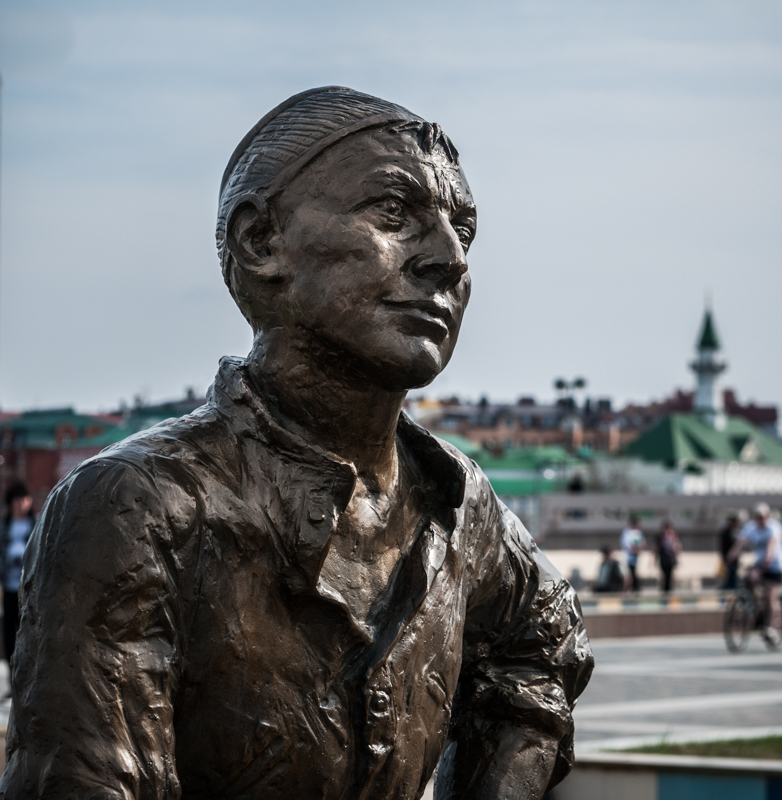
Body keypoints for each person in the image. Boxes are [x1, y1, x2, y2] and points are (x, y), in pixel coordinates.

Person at [1, 88, 593, 800]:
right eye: (393, 212)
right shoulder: (136, 510)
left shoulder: (459, 505)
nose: (449, 258)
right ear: (261, 242)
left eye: (463, 228)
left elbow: (544, 643)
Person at [727, 502, 782, 644]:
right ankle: (754, 608)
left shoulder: (774, 527)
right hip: (760, 562)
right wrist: (730, 557)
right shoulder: (750, 527)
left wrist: (767, 559)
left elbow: (771, 544)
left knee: (770, 596)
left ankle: (771, 627)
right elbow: (740, 543)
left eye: (763, 517)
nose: (760, 519)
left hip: (775, 564)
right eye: (758, 517)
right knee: (749, 578)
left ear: (767, 516)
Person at [1, 482, 35, 695]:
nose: (21, 503)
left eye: (25, 498)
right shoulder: (4, 527)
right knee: (9, 636)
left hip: (30, 589)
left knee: (30, 635)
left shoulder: (36, 524)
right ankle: (13, 683)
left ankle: (28, 683)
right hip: (8, 588)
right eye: (17, 499)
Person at [719, 510, 745, 591]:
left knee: (734, 578)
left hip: (734, 560)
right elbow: (723, 547)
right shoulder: (725, 533)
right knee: (728, 578)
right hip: (728, 559)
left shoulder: (737, 532)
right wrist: (726, 559)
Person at [654, 521, 681, 595]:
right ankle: (664, 591)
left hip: (671, 559)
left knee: (669, 576)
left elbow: (677, 549)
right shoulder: (660, 538)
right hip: (663, 558)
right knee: (664, 575)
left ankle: (668, 591)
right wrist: (655, 560)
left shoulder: (673, 538)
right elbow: (657, 549)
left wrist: (677, 558)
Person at [621, 514, 645, 592]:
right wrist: (635, 548)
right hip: (628, 557)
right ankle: (626, 591)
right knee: (628, 575)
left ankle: (634, 589)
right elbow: (627, 545)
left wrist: (637, 549)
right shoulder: (627, 532)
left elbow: (642, 544)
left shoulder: (638, 532)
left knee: (634, 574)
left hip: (635, 557)